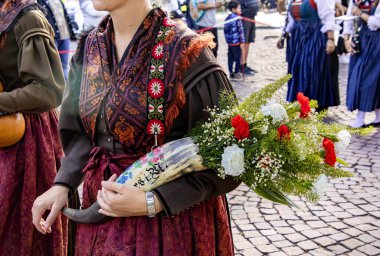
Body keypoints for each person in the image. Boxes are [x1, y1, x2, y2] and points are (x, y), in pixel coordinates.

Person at [32, 0, 241, 254]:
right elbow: (81, 133)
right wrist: (63, 184)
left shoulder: (187, 52)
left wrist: (153, 201)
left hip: (168, 230)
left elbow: (230, 157)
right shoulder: (89, 47)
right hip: (98, 217)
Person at [0, 0, 67, 255]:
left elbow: (48, 91)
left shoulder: (28, 18)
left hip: (28, 138)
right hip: (5, 131)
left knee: (22, 232)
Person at [285, 0, 340, 112]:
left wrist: (330, 39)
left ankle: (319, 104)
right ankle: (301, 105)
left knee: (313, 69)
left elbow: (328, 17)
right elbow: (291, 20)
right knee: (298, 70)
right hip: (298, 38)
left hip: (315, 36)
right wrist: (284, 34)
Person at [343, 0, 380, 127]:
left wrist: (359, 13)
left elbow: (377, 23)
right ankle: (378, 116)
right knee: (364, 77)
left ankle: (360, 118)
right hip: (361, 40)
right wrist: (346, 39)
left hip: (376, 42)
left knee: (366, 78)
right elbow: (348, 19)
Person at [37, 0, 74, 80]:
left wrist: (72, 33)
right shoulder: (38, 1)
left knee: (64, 65)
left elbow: (64, 16)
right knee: (53, 67)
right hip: (52, 38)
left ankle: (65, 89)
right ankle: (56, 89)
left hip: (65, 36)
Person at [224, 1, 245, 79]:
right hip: (236, 42)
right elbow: (241, 31)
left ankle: (230, 72)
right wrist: (242, 41)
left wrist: (228, 40)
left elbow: (225, 31)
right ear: (233, 9)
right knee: (237, 58)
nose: (240, 9)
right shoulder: (237, 18)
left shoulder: (227, 18)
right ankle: (236, 72)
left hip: (230, 43)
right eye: (239, 8)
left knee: (230, 57)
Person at [237, 0, 259, 75]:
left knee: (248, 42)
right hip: (244, 18)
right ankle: (242, 66)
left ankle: (245, 64)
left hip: (251, 17)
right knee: (244, 42)